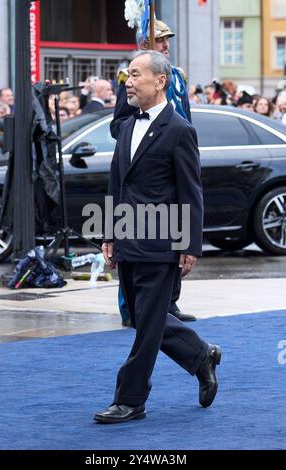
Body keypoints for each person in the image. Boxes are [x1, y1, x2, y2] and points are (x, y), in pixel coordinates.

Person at [94, 51, 221, 424]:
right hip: (129, 237)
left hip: (162, 242)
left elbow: (190, 192)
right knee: (141, 318)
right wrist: (110, 232)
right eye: (127, 75)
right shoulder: (128, 125)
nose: (127, 82)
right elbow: (117, 182)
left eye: (135, 75)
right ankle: (201, 355)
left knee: (147, 328)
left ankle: (130, 399)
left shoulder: (180, 130)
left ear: (160, 81)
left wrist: (188, 245)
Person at [111, 19, 195, 324]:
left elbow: (186, 116)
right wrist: (142, 129)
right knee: (133, 250)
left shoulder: (177, 78)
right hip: (143, 162)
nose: (167, 45)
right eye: (160, 40)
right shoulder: (130, 81)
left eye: (168, 40)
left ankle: (168, 304)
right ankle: (131, 308)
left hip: (172, 158)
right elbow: (118, 123)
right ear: (146, 43)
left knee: (171, 241)